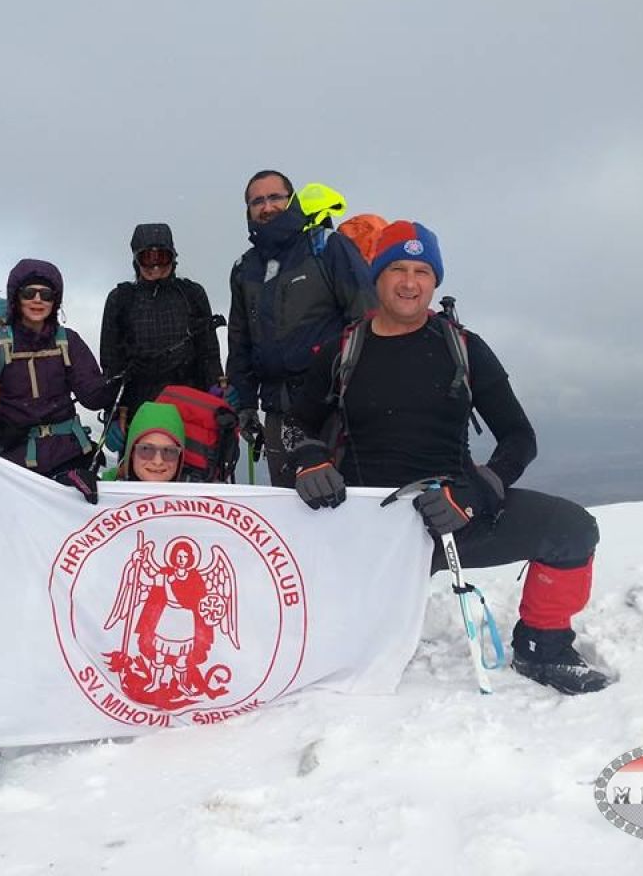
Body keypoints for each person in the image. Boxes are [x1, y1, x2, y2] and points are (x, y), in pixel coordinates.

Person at [284, 222, 610, 695]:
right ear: (377, 277)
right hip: (367, 526)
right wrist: (309, 460)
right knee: (332, 642)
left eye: (422, 271)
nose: (410, 282)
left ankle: (544, 646)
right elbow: (296, 423)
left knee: (572, 528)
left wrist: (475, 493)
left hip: (454, 516)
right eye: (397, 268)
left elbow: (519, 438)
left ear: (435, 281)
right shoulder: (344, 349)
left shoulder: (463, 347)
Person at [226, 171, 375, 488]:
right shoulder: (244, 269)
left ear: (291, 200)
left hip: (334, 408)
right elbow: (240, 344)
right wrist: (245, 405)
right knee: (291, 513)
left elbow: (366, 317)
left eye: (275, 197)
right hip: (279, 414)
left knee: (345, 501)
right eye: (257, 201)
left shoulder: (327, 247)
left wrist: (364, 391)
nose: (267, 207)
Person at [0, 258, 117, 478]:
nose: (37, 300)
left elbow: (91, 397)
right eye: (29, 293)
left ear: (55, 300)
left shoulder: (68, 341)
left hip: (70, 456)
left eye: (46, 294)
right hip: (16, 463)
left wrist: (118, 378)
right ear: (16, 296)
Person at [99, 223, 224, 433]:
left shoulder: (192, 295)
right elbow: (111, 363)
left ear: (173, 258)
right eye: (147, 257)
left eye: (162, 257)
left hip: (190, 403)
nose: (155, 265)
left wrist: (217, 393)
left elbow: (208, 354)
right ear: (136, 261)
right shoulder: (120, 299)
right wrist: (112, 413)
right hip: (138, 408)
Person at [100, 401, 187, 482]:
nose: (158, 462)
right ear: (132, 453)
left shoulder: (196, 495)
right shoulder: (97, 489)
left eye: (169, 451)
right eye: (146, 449)